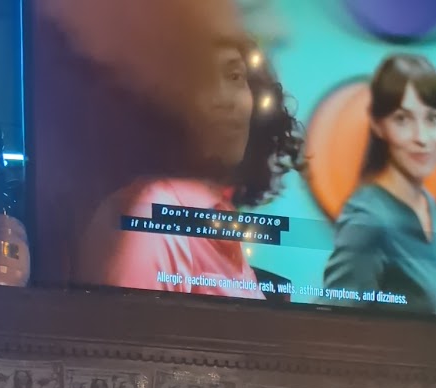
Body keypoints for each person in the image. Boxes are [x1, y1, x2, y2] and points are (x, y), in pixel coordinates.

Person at [79, 37, 301, 299]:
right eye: (201, 80)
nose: (225, 100)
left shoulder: (213, 218)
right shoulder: (152, 215)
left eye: (234, 76)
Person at [323, 53, 436, 316]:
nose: (422, 137)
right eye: (402, 119)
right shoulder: (368, 218)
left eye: (433, 118)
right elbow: (333, 322)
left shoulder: (425, 203)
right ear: (378, 125)